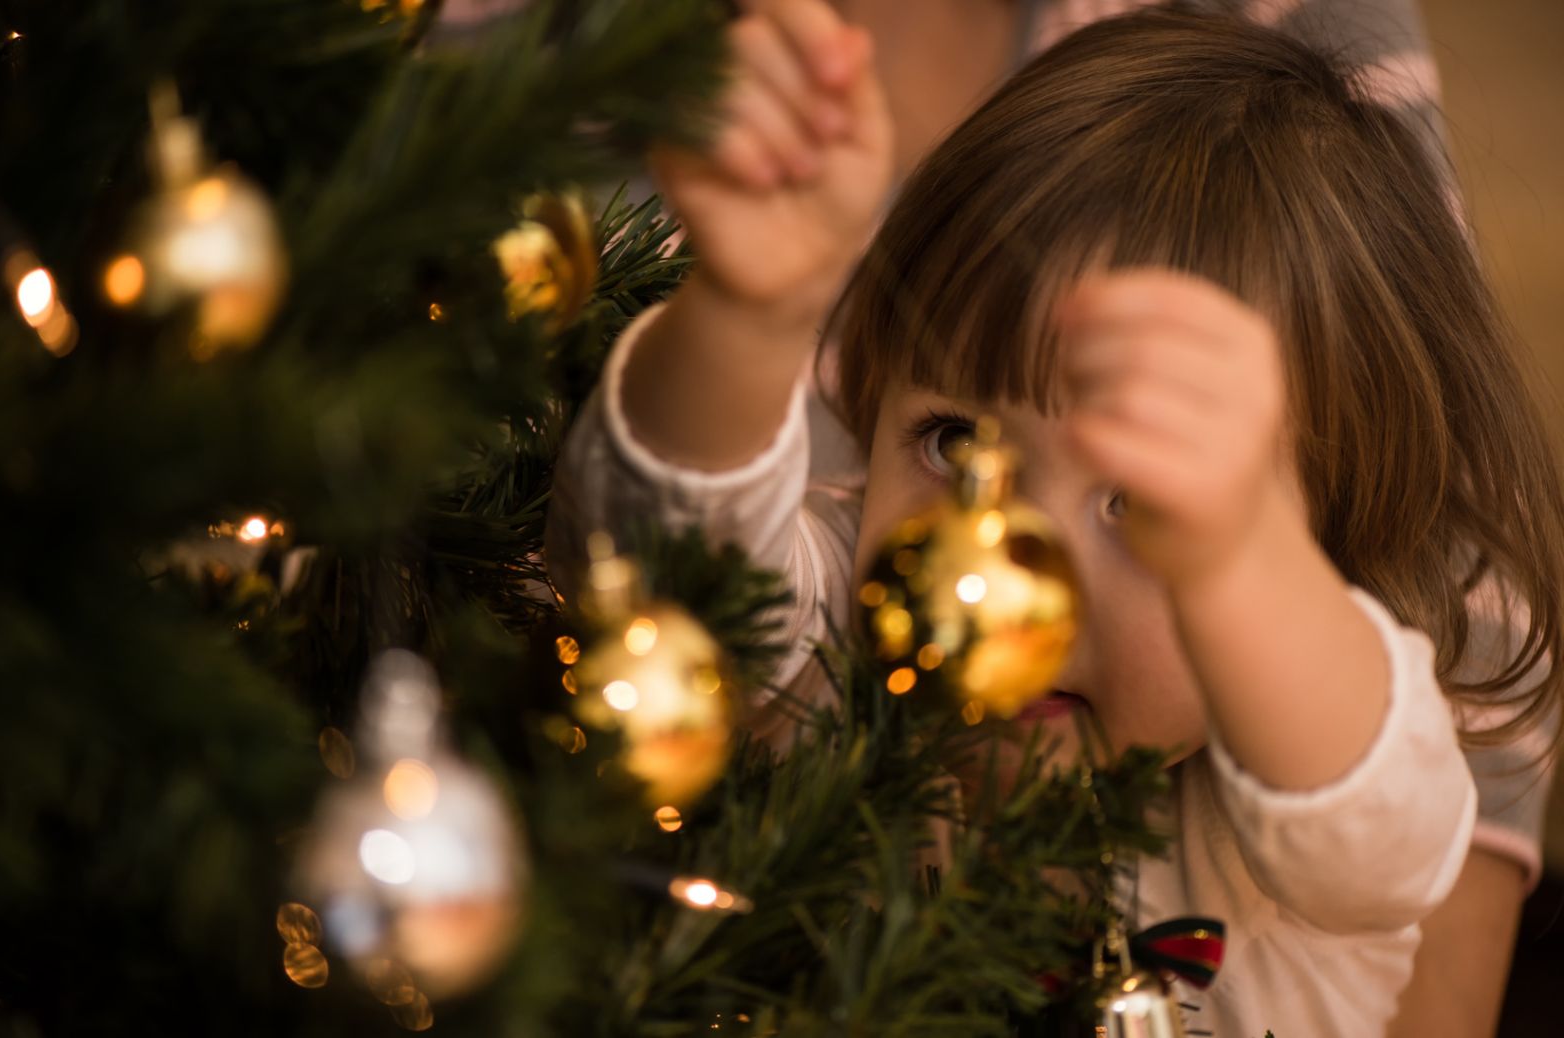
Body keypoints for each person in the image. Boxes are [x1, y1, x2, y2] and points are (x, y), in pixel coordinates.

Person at [546, 4, 1564, 1034]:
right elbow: (672, 576)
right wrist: (743, 317)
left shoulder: (1295, 846)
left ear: (1329, 549)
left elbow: (1364, 796)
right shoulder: (836, 663)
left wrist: (1238, 568)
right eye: (952, 445)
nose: (1014, 558)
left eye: (1141, 504)